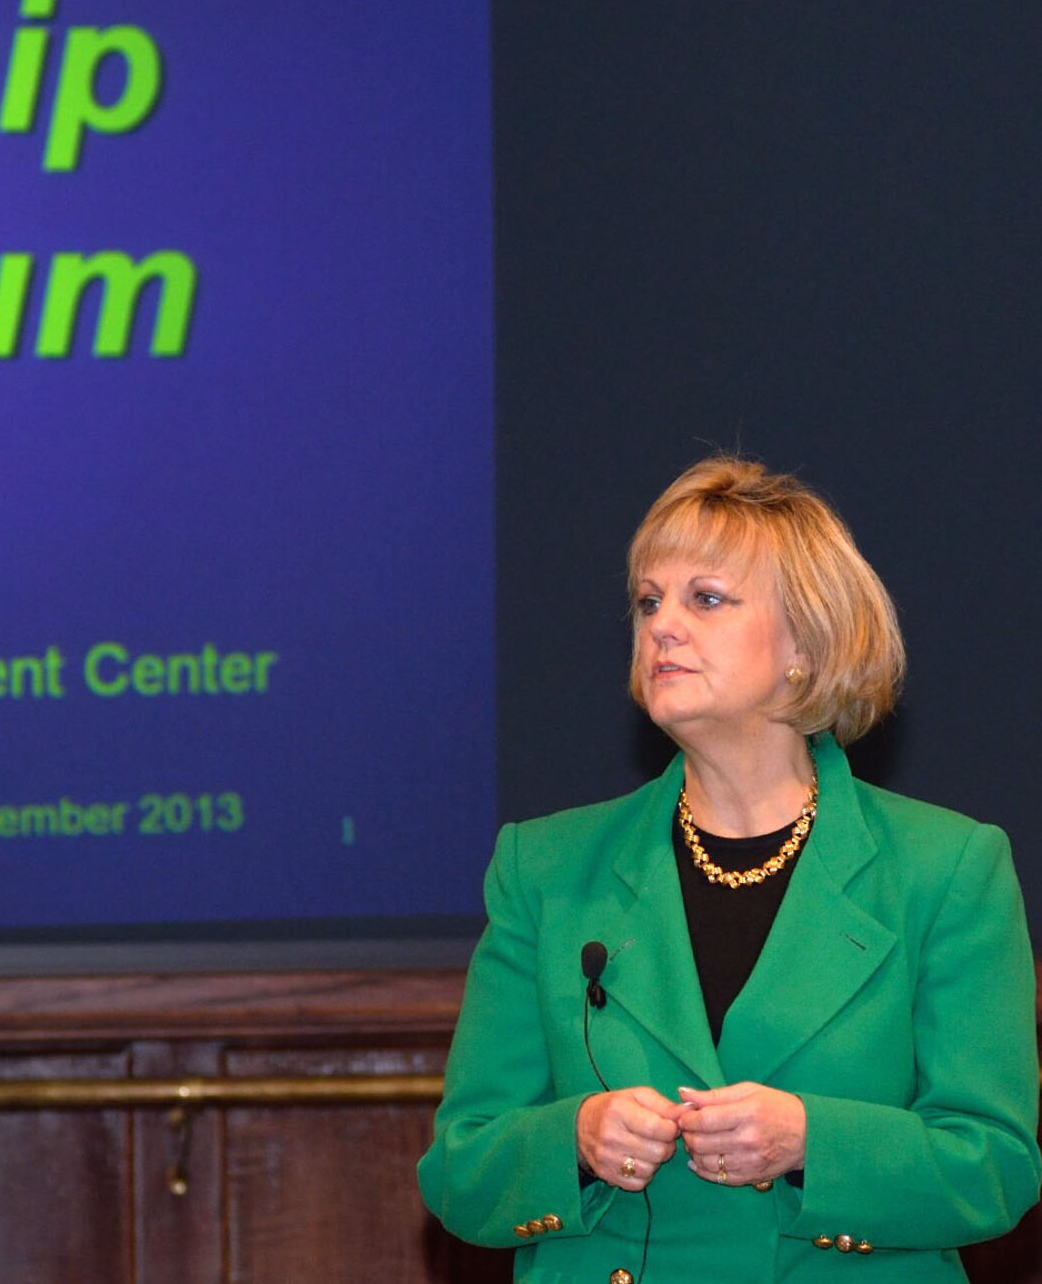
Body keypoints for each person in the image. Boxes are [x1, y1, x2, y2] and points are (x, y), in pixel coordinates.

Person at [418, 456, 1040, 1282]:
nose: (662, 626)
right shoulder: (546, 868)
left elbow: (995, 1166)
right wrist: (575, 1138)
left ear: (805, 642)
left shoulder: (946, 869)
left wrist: (811, 1141)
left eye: (705, 598)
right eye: (649, 601)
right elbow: (461, 1171)